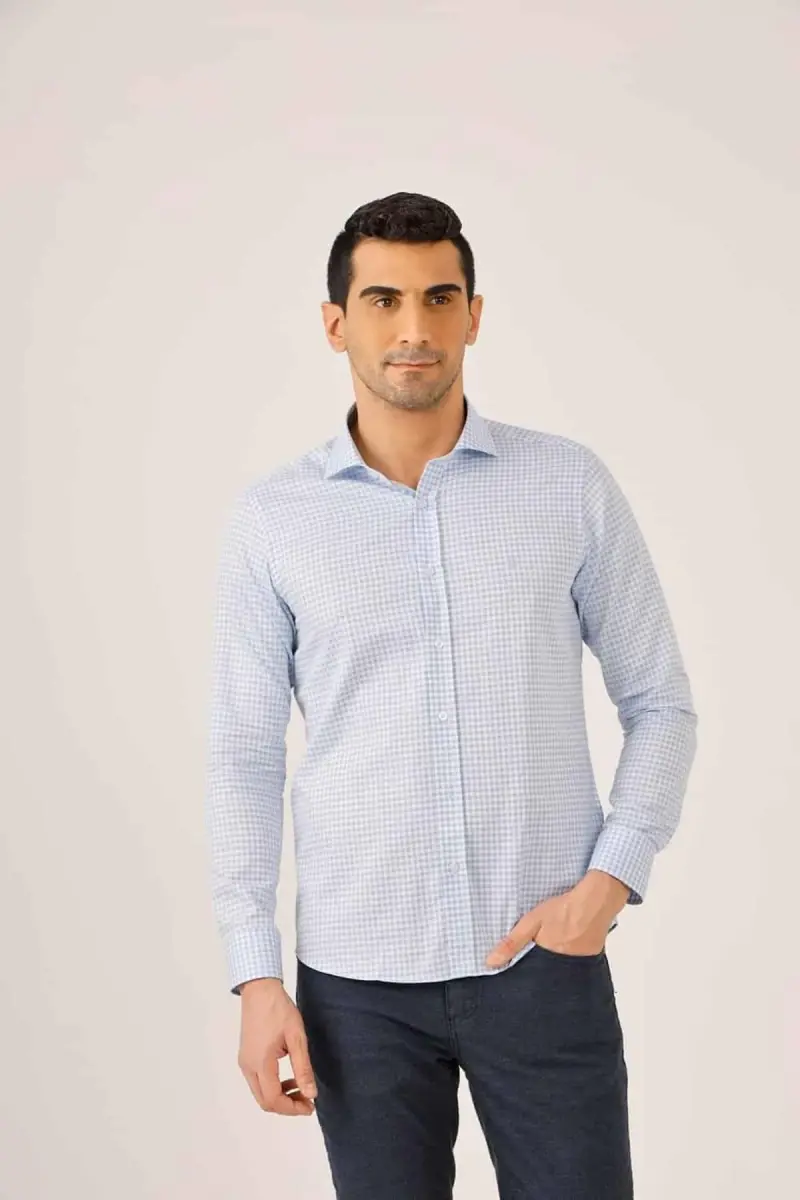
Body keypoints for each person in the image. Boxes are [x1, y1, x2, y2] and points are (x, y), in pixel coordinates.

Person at [205, 191, 698, 1198]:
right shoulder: (274, 522)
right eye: (382, 300)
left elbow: (659, 702)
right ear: (335, 323)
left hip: (543, 967)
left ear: (474, 315)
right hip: (358, 990)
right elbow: (244, 757)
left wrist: (609, 880)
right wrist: (256, 975)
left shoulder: (566, 487)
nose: (414, 328)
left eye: (438, 298)